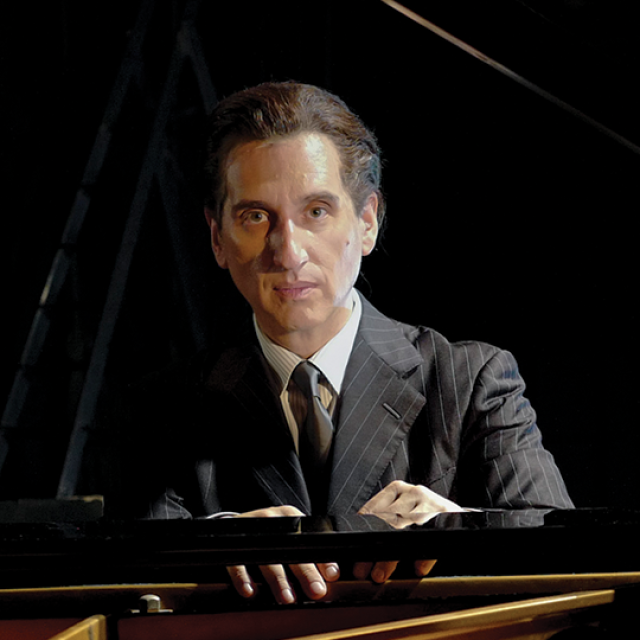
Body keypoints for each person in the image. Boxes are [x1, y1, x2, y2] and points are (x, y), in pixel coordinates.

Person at [130, 81, 573, 604]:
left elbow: (567, 554)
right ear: (216, 238)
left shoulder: (473, 380)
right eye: (255, 216)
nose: (287, 251)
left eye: (316, 212)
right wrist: (217, 537)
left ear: (367, 222)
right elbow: (129, 564)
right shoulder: (164, 404)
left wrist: (463, 529)